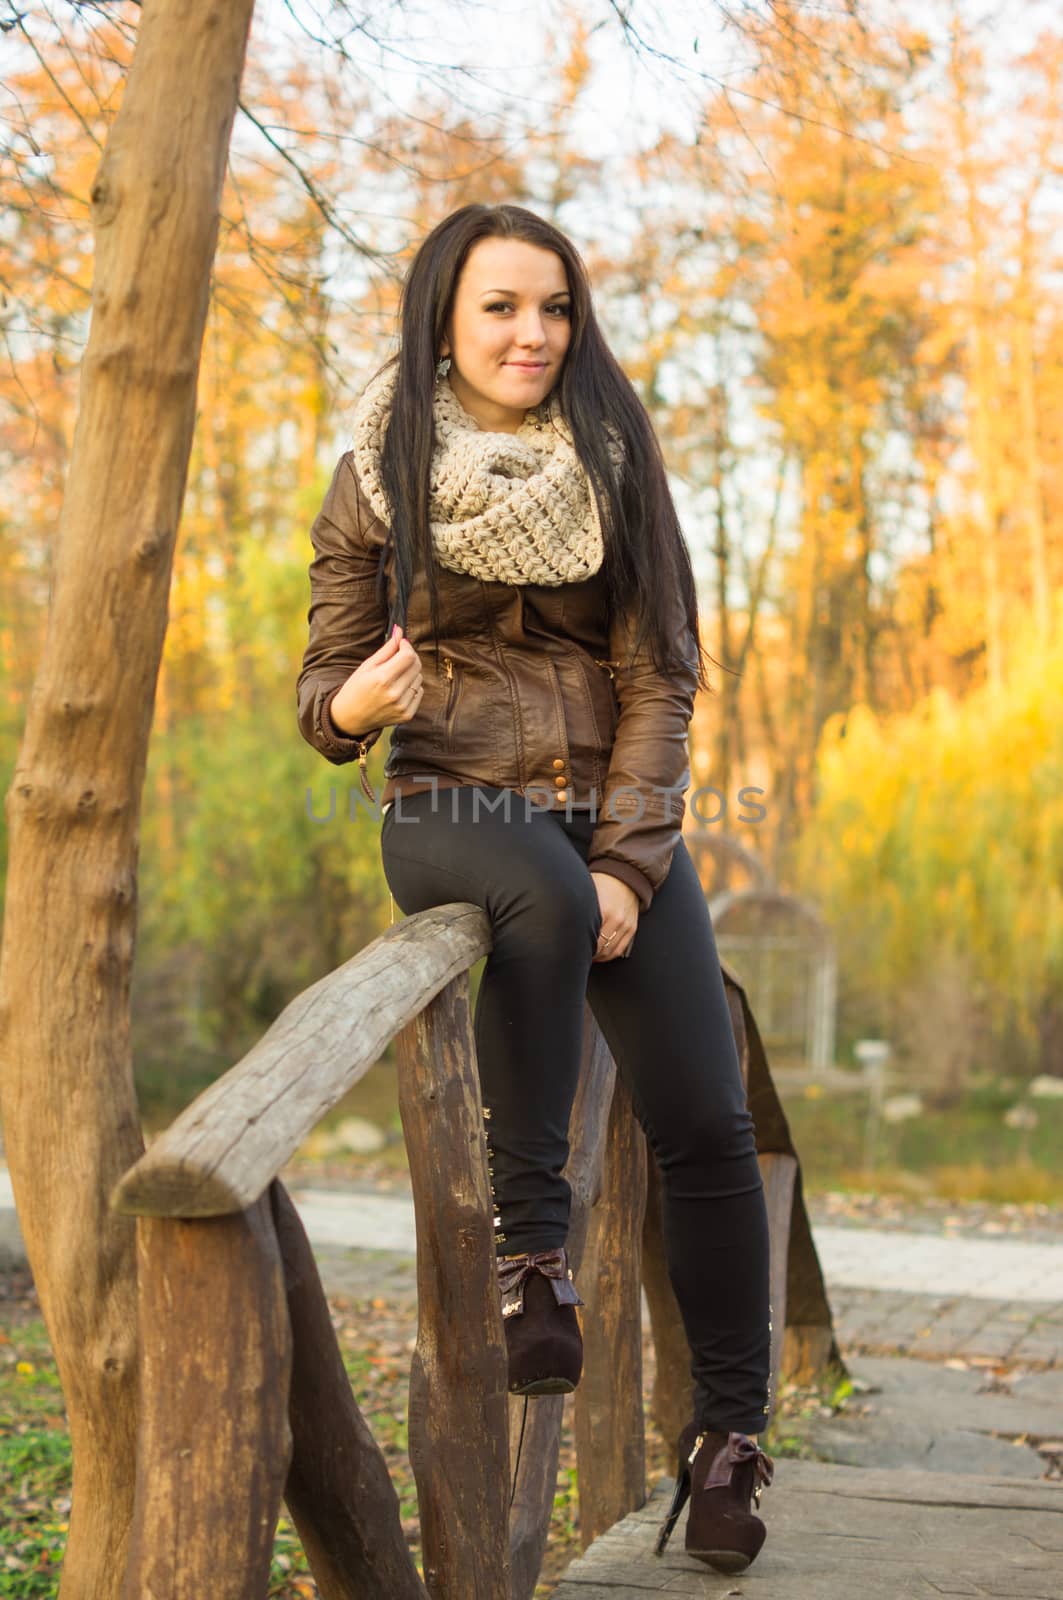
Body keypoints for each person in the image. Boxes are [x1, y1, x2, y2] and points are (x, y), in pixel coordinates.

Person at [297, 202, 775, 1572]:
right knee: (545, 909)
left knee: (709, 1120)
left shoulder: (617, 462)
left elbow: (659, 677)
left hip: (602, 814)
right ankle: (535, 1262)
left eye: (555, 308)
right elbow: (320, 698)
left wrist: (632, 858)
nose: (533, 334)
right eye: (503, 306)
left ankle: (729, 1440)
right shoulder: (377, 474)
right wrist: (356, 703)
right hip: (448, 804)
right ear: (445, 316)